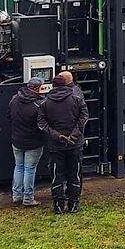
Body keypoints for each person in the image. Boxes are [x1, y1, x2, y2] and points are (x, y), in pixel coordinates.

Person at [38, 73, 89, 214]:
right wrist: (73, 135)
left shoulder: (45, 102)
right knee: (75, 174)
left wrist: (57, 136)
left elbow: (42, 124)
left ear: (53, 85)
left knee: (56, 175)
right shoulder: (77, 99)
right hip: (75, 144)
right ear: (67, 84)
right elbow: (84, 118)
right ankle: (73, 205)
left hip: (56, 146)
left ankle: (58, 206)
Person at [7, 77, 45, 206]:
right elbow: (42, 124)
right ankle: (28, 198)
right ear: (38, 88)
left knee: (19, 167)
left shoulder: (14, 100)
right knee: (29, 169)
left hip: (17, 140)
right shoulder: (38, 105)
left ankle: (16, 195)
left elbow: (8, 117)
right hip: (33, 142)